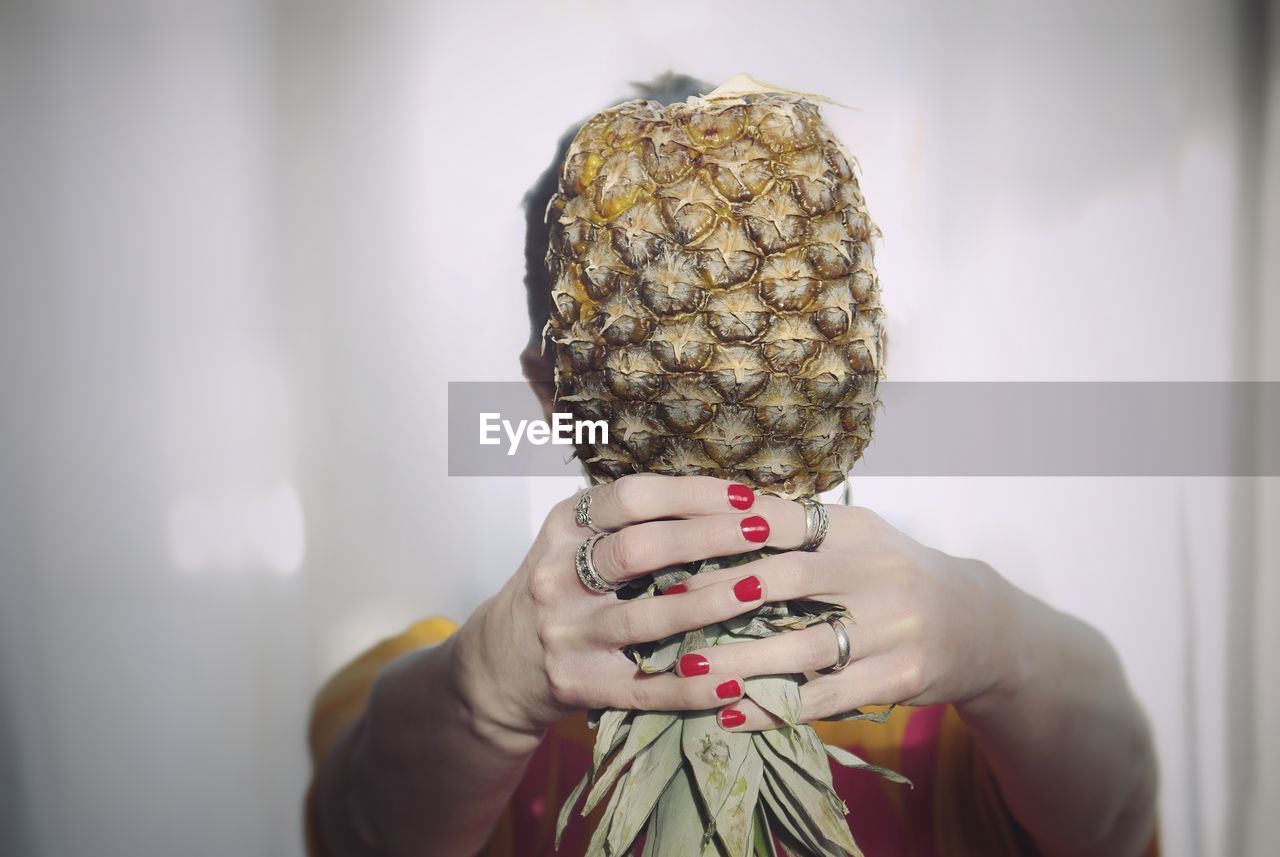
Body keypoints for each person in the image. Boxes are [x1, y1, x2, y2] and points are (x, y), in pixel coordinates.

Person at [304, 76, 1159, 857]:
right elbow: (359, 826)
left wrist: (994, 634)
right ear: (553, 390)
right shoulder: (452, 691)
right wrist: (481, 691)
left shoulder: (944, 706)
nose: (709, 361)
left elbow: (1115, 811)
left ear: (847, 344)